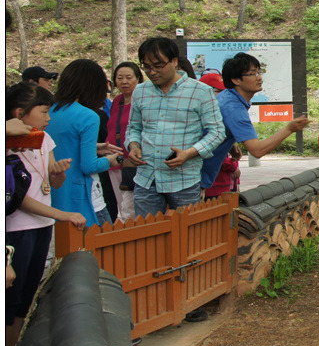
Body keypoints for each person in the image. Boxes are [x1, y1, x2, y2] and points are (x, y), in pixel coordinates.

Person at [5, 83, 88, 346]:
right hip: (17, 229)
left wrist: (58, 173)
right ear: (19, 113)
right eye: (43, 112)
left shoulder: (44, 139)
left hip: (42, 226)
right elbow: (19, 198)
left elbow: (52, 182)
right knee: (10, 301)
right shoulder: (8, 143)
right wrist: (62, 214)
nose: (49, 118)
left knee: (27, 297)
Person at [125, 37, 224, 218]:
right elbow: (133, 127)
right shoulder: (140, 91)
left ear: (174, 61)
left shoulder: (201, 91)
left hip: (184, 179)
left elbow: (217, 132)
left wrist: (189, 153)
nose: (152, 72)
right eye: (146, 67)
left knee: (188, 230)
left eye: (158, 66)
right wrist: (133, 146)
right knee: (147, 232)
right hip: (147, 177)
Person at [199, 53, 310, 197]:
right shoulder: (233, 107)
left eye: (258, 72)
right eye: (252, 74)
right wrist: (289, 129)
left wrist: (231, 144)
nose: (259, 78)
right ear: (236, 80)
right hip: (194, 176)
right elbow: (257, 150)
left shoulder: (227, 97)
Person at [47, 60, 122, 227]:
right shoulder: (88, 116)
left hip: (55, 195)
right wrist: (109, 160)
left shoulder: (49, 110)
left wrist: (95, 147)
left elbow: (60, 144)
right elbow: (89, 166)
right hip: (84, 196)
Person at [106, 62, 143, 222]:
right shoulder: (117, 101)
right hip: (115, 159)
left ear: (138, 79)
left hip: (133, 161)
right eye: (120, 78)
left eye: (129, 77)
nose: (124, 82)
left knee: (130, 206)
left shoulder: (143, 100)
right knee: (120, 203)